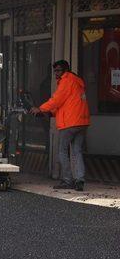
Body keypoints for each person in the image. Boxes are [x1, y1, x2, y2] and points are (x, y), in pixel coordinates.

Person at [30, 60, 90, 191]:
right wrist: (51, 112)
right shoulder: (77, 82)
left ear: (65, 70)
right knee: (77, 151)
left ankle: (67, 180)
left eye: (58, 70)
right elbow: (68, 103)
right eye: (55, 71)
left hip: (70, 123)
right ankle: (79, 180)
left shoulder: (66, 81)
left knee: (62, 151)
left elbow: (57, 100)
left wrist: (40, 109)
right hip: (82, 122)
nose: (56, 73)